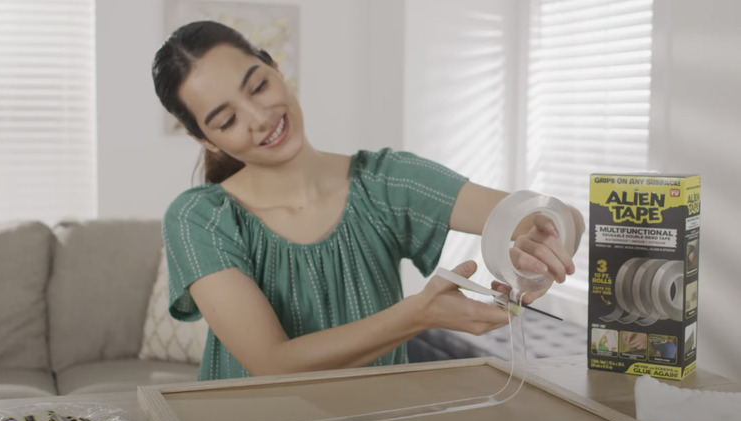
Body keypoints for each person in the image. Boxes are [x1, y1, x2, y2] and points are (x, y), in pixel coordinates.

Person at [152, 21, 585, 381]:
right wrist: (419, 314)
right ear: (204, 138)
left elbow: (547, 216)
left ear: (275, 69)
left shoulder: (384, 181)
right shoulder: (199, 219)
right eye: (227, 120)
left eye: (258, 86)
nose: (260, 118)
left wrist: (548, 241)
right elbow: (273, 363)